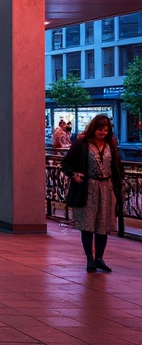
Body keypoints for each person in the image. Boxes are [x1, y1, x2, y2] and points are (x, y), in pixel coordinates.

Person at [61, 114, 123, 273]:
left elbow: (116, 166)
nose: (102, 132)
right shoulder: (82, 144)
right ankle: (90, 258)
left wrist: (117, 185)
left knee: (104, 224)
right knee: (87, 225)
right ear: (93, 129)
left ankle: (100, 258)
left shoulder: (111, 145)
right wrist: (74, 175)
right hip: (88, 188)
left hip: (107, 188)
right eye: (99, 129)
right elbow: (66, 162)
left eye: (105, 130)